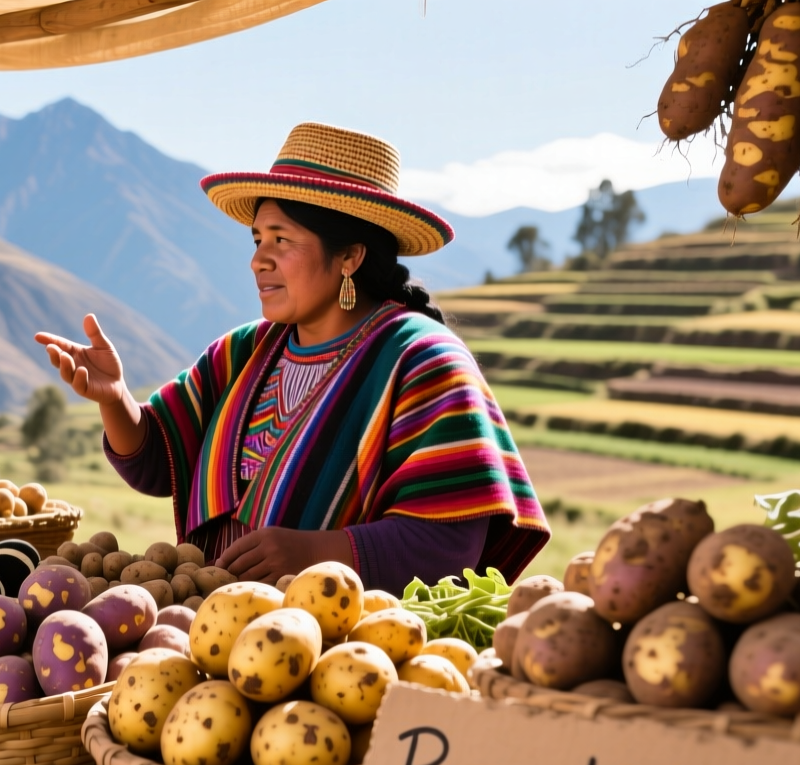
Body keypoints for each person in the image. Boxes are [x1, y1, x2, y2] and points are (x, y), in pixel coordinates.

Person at [34, 123, 548, 588]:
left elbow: (450, 545)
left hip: (344, 644)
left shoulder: (422, 361)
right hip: (211, 630)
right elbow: (157, 462)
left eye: (281, 240)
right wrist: (114, 398)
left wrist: (316, 554)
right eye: (258, 239)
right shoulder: (242, 352)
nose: (258, 260)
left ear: (350, 256)